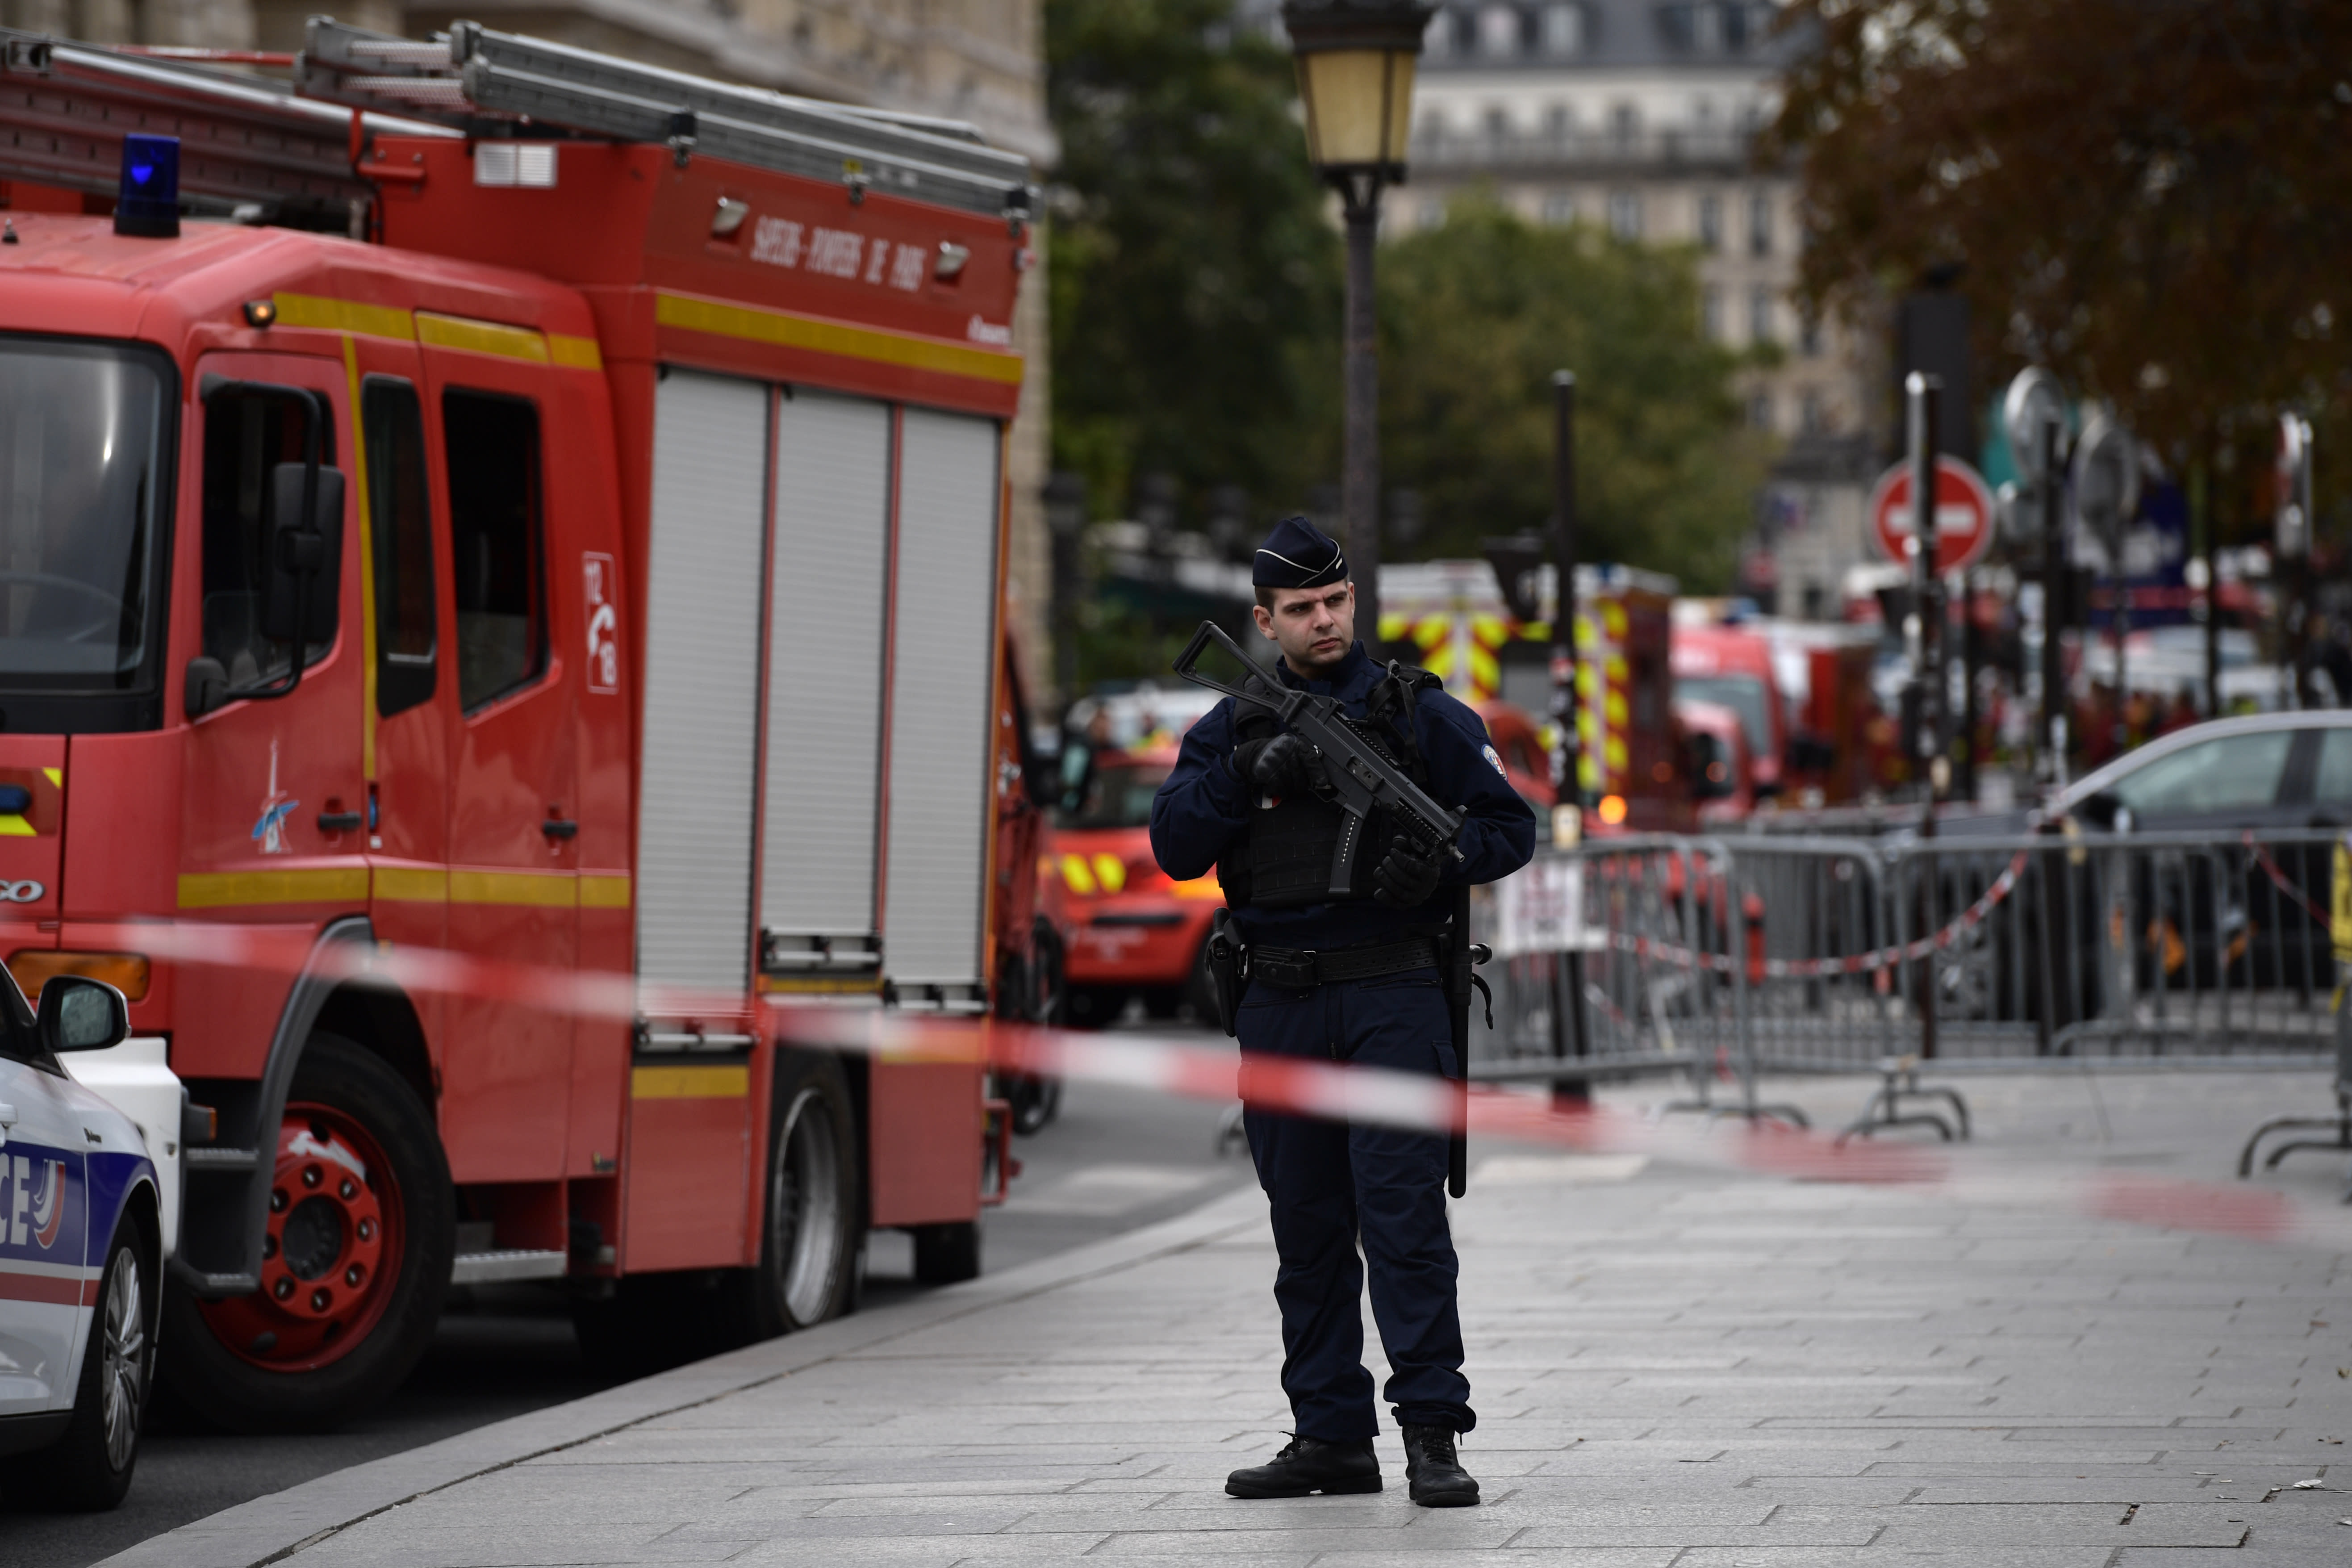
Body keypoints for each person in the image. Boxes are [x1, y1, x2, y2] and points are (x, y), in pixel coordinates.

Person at [1149, 516, 1535, 1508]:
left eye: (1336, 600)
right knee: (1307, 1231)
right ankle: (1330, 1434)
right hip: (1279, 995)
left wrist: (1443, 861)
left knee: (1404, 1222)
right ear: (1264, 620)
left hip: (1391, 992)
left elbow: (1509, 826)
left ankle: (1433, 1435)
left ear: (1352, 599)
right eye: (1302, 609)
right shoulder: (1231, 725)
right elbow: (1176, 847)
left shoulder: (1417, 715)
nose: (1324, 620)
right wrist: (1243, 775)